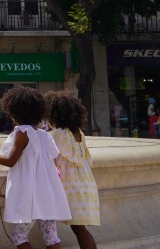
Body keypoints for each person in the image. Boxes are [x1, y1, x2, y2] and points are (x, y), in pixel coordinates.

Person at [0, 86, 71, 249]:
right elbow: (51, 160)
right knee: (50, 236)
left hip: (30, 194)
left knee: (19, 235)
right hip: (47, 192)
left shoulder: (23, 133)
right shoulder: (44, 135)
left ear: (15, 112)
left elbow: (11, 161)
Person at [45, 91, 100, 249]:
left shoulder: (57, 134)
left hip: (71, 187)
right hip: (84, 184)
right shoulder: (78, 133)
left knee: (79, 228)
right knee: (79, 228)